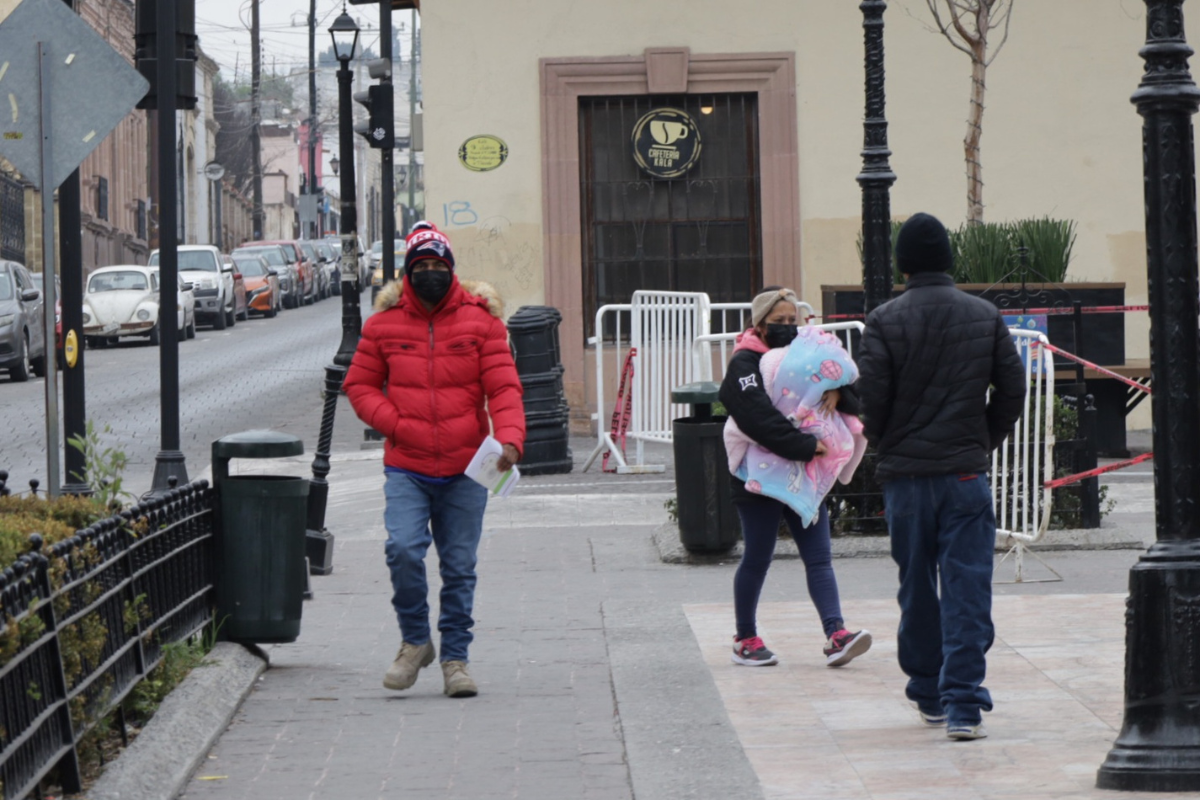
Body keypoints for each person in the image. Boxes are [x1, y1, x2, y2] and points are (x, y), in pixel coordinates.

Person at [856, 212, 1026, 741]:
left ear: (902, 264)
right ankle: (963, 703)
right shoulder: (984, 315)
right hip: (963, 474)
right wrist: (981, 443)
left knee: (917, 586)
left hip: (907, 477)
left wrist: (888, 444)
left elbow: (874, 402)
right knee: (967, 586)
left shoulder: (883, 320)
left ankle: (928, 690)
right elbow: (1012, 392)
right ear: (949, 259)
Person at [344, 228, 525, 698]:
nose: (429, 275)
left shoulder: (482, 323)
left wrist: (509, 438)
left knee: (459, 566)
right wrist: (396, 424)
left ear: (451, 270)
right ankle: (414, 642)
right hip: (407, 464)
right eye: (419, 268)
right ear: (407, 273)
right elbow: (360, 385)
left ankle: (456, 661)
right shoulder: (382, 326)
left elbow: (503, 388)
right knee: (403, 550)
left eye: (437, 268)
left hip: (466, 467)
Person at [718, 287, 873, 668]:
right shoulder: (744, 363)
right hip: (760, 475)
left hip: (804, 476)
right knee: (757, 556)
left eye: (793, 320)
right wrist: (804, 446)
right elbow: (755, 415)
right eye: (779, 321)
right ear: (760, 324)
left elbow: (850, 390)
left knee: (819, 557)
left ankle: (836, 634)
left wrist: (836, 392)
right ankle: (745, 638)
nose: (788, 327)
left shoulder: (808, 356)